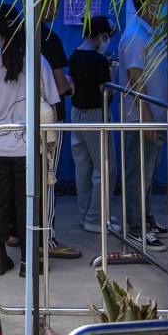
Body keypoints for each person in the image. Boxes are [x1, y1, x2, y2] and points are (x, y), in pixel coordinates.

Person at [0, 4, 61, 277]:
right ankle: (29, 262)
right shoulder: (37, 61)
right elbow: (51, 105)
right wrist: (51, 139)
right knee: (28, 203)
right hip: (30, 147)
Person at [119, 0, 168, 251]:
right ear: (146, 3)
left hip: (156, 117)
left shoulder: (149, 32)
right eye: (158, 1)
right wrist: (147, 117)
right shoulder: (135, 36)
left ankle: (146, 220)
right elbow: (135, 79)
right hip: (142, 119)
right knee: (138, 174)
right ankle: (136, 228)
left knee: (148, 173)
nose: (161, 6)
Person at [37, 0, 81, 259]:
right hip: (50, 118)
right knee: (48, 178)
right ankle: (47, 238)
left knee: (24, 176)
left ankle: (17, 231)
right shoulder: (50, 39)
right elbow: (59, 84)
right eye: (55, 1)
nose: (58, 7)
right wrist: (71, 85)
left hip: (20, 119)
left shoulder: (20, 35)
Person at [69, 15, 118, 233]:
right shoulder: (99, 61)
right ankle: (96, 218)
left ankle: (84, 214)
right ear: (102, 36)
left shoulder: (75, 55)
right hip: (96, 115)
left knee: (83, 167)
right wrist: (112, 75)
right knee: (105, 168)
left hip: (76, 113)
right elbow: (104, 93)